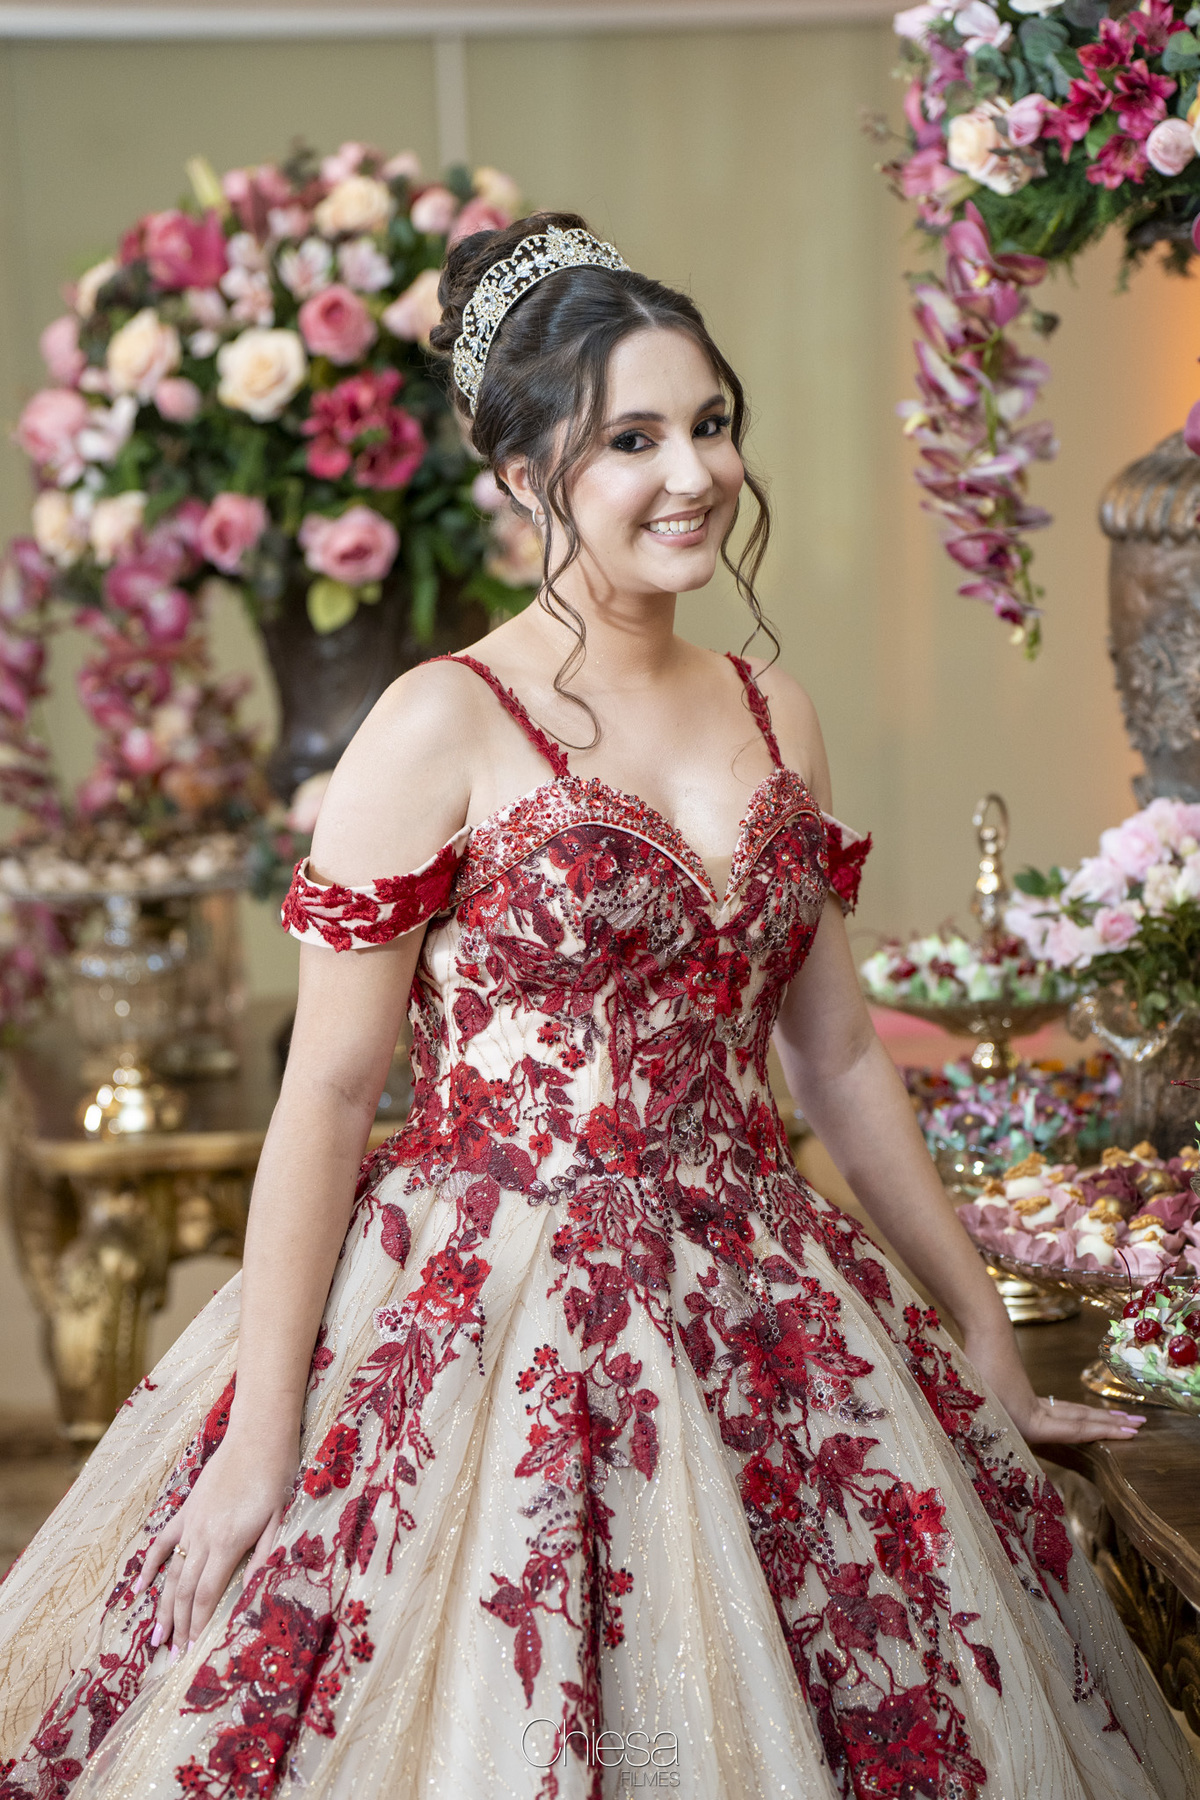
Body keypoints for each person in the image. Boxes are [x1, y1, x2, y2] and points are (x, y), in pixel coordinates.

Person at [0, 212, 1193, 1800]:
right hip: (490, 1308)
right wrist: (261, 1438)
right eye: (632, 439)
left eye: (711, 423)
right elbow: (328, 1098)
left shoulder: (776, 708)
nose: (692, 473)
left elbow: (837, 1057)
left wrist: (978, 1322)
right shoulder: (438, 724)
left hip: (767, 1294)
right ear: (520, 475)